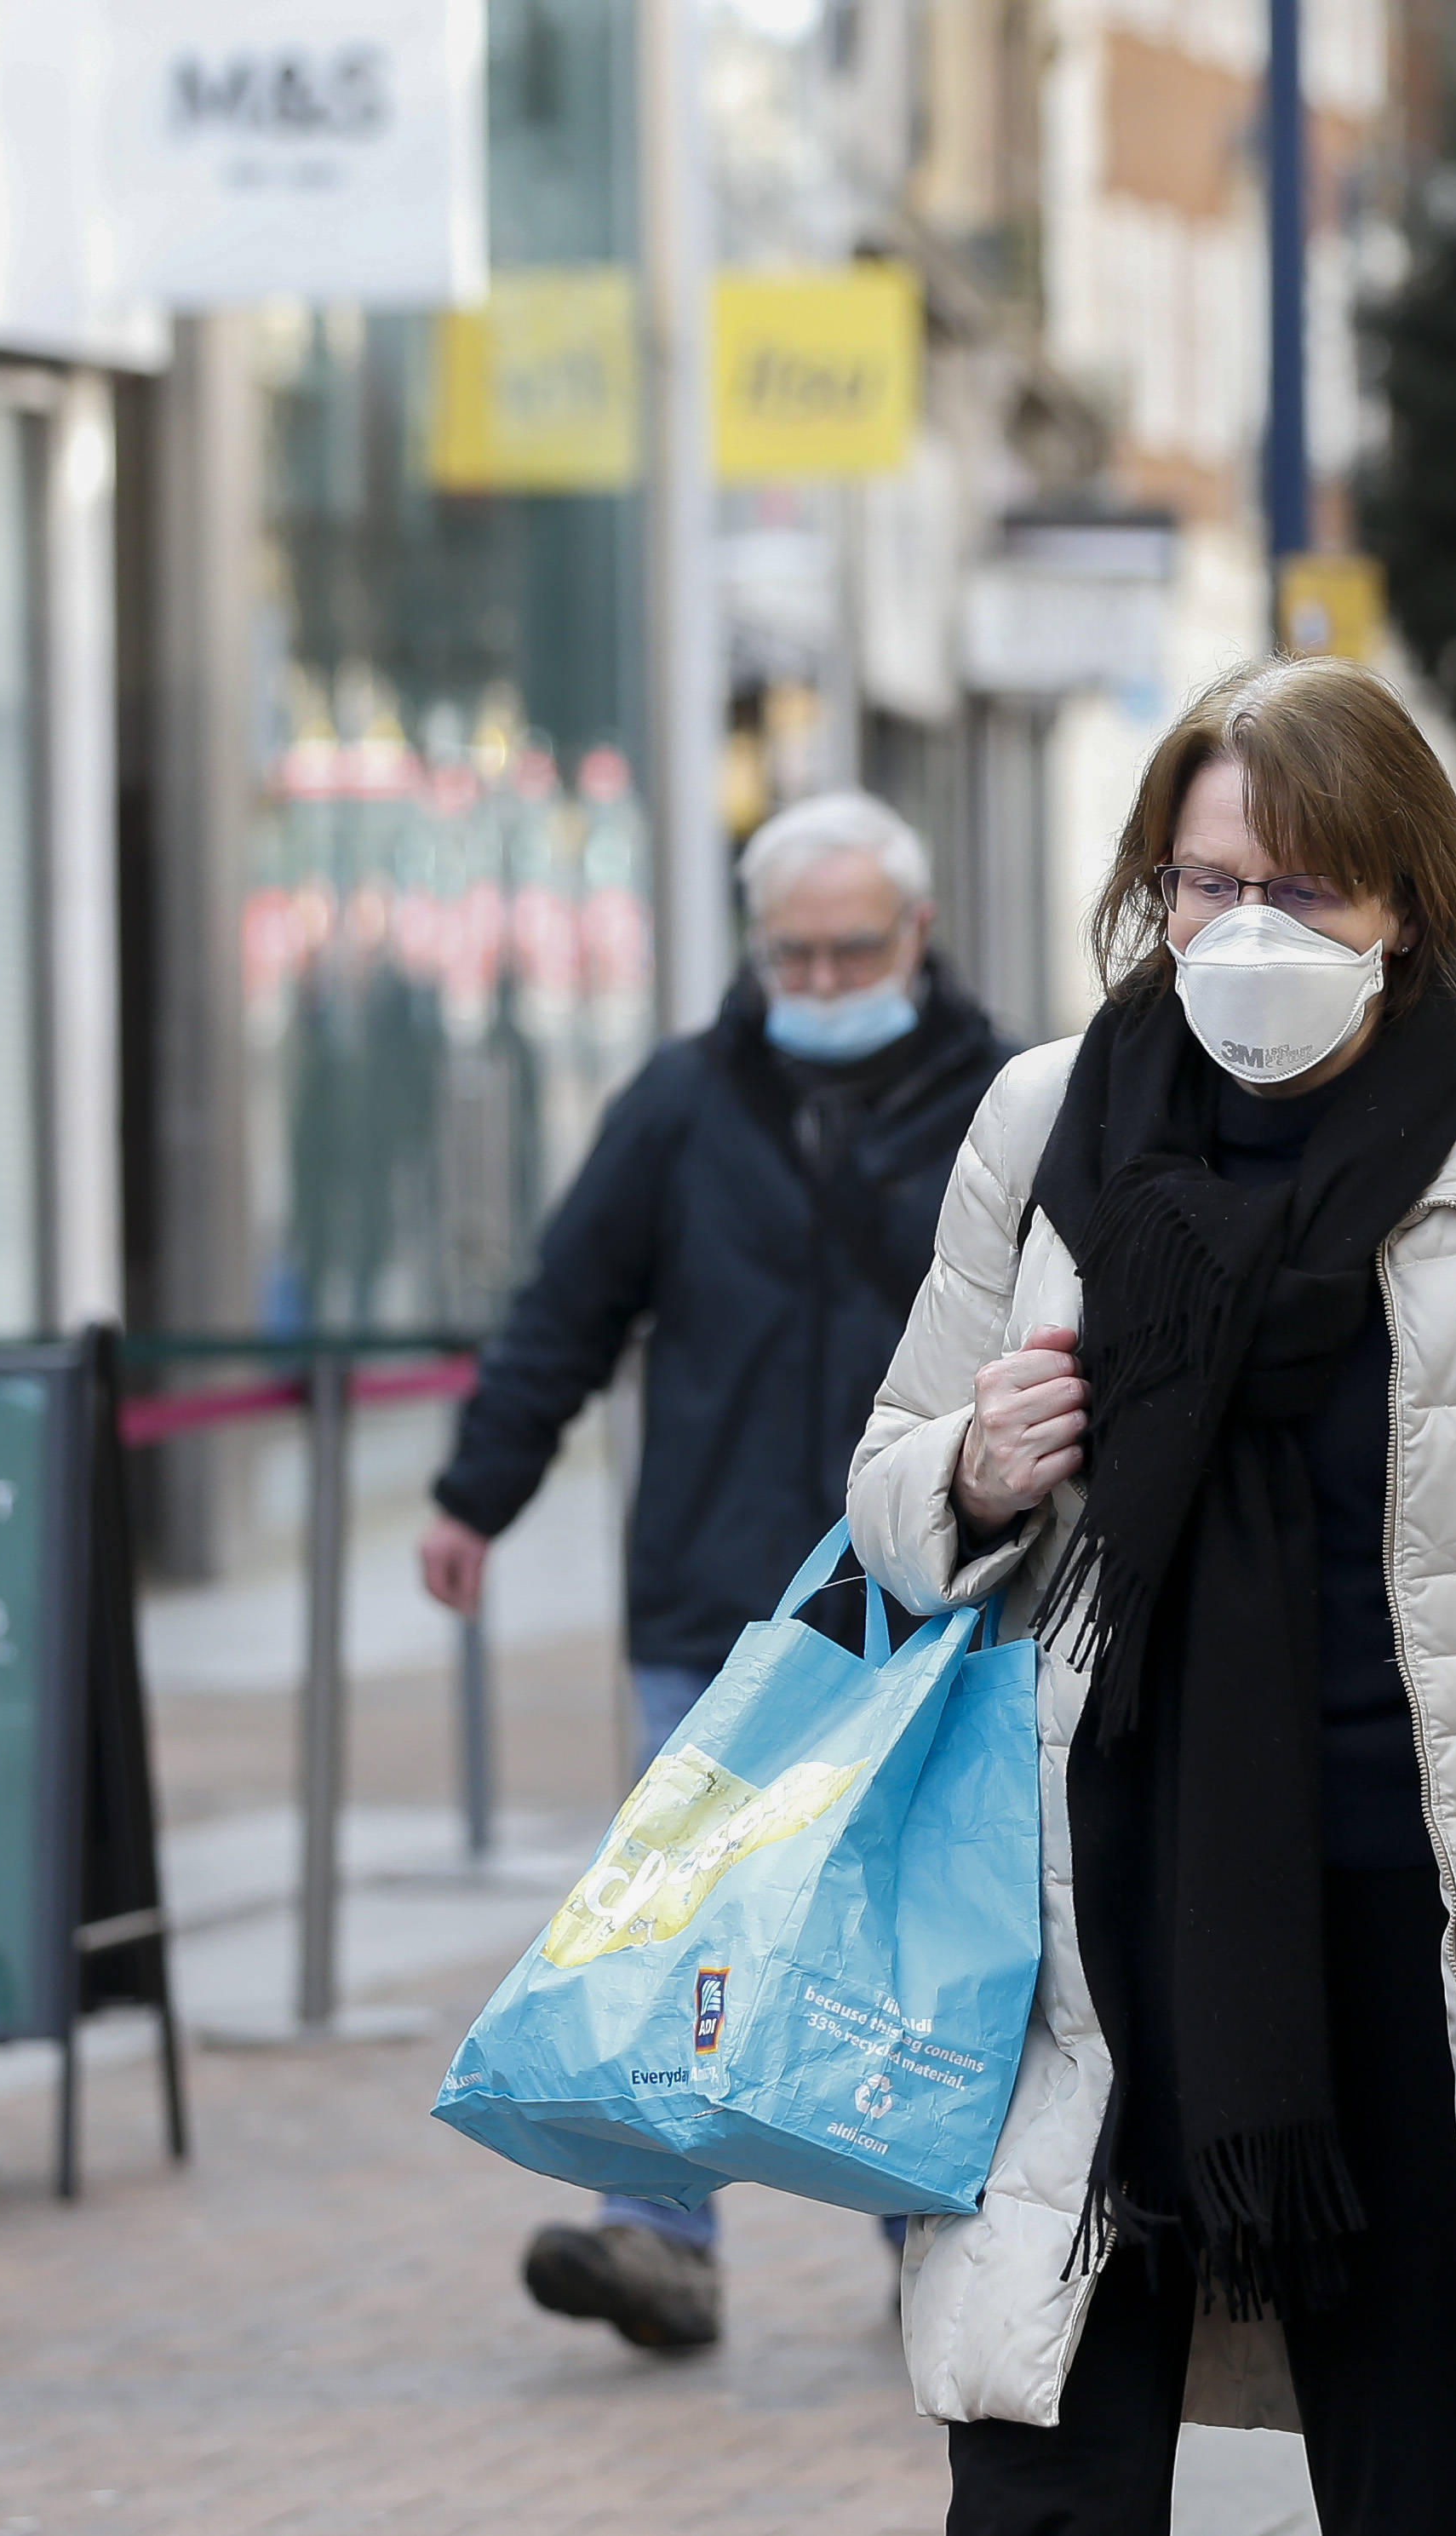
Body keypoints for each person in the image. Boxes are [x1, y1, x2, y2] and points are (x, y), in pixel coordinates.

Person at [843, 656, 1456, 2535]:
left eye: (1302, 887)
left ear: (1404, 899)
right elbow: (888, 1494)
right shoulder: (1048, 1125)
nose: (1242, 929)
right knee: (1037, 2488)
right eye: (1203, 884)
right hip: (1087, 1934)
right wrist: (975, 1472)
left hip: (1410, 1948)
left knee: (1426, 2473)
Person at [419, 793, 1013, 2352]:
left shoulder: (1004, 1103)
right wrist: (476, 1493)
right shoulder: (681, 1102)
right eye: (791, 956)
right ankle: (658, 2240)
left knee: (901, 1915)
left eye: (849, 952)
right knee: (680, 1916)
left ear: (916, 935)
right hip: (714, 1591)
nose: (818, 984)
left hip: (925, 1590)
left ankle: (923, 2225)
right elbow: (566, 1306)